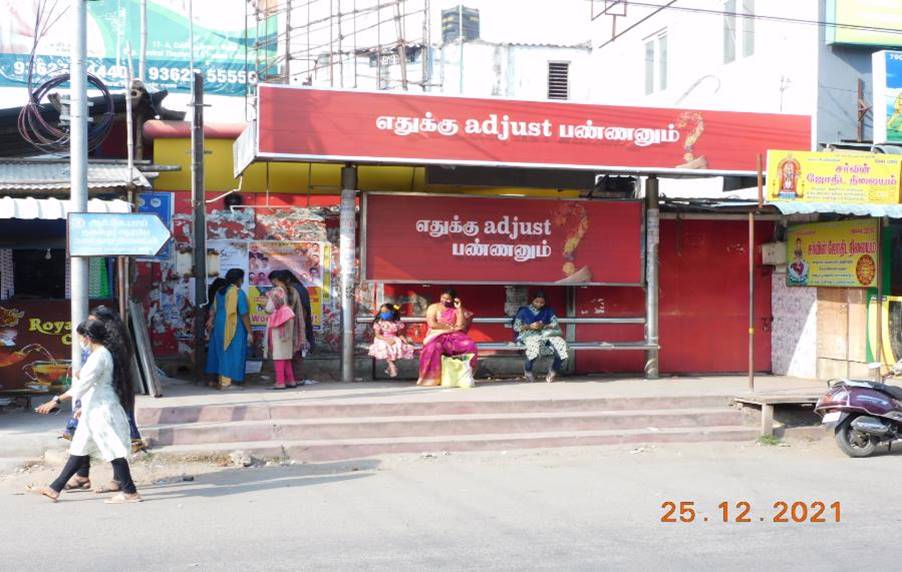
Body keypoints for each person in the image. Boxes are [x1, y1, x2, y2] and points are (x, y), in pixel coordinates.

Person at [30, 320, 142, 503]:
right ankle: (54, 488)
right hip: (94, 407)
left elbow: (83, 384)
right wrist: (84, 407)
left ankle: (130, 492)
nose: (80, 341)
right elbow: (92, 385)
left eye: (81, 337)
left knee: (112, 449)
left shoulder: (99, 356)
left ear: (87, 338)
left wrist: (56, 400)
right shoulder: (100, 354)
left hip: (102, 410)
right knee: (79, 447)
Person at [416, 289, 478, 387]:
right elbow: (432, 324)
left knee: (470, 345)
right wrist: (449, 327)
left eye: (448, 299)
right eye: (443, 298)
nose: (445, 300)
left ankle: (464, 376)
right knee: (433, 347)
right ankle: (431, 379)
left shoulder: (457, 309)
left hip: (454, 335)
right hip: (437, 334)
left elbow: (461, 326)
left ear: (454, 300)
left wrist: (459, 308)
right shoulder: (434, 307)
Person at [205, 269, 253, 390]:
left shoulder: (219, 292)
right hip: (233, 325)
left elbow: (213, 309)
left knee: (219, 351)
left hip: (219, 325)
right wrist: (250, 332)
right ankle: (230, 382)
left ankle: (217, 380)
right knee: (234, 352)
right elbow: (243, 314)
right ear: (239, 279)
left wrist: (211, 320)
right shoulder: (238, 293)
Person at [513, 292, 569, 383]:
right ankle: (528, 371)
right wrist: (529, 326)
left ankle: (553, 371)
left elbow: (555, 323)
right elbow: (516, 327)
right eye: (537, 302)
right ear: (532, 300)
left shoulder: (548, 310)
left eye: (542, 302)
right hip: (529, 334)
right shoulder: (524, 311)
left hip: (546, 334)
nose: (539, 304)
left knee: (561, 347)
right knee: (533, 349)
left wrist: (544, 325)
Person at [264, 285, 299, 390]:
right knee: (286, 358)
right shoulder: (287, 310)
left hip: (280, 338)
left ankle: (280, 382)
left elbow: (268, 309)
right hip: (285, 339)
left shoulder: (281, 311)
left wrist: (270, 300)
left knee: (279, 358)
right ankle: (290, 380)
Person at [282, 271, 315, 380]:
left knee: (295, 352)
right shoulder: (300, 288)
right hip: (297, 323)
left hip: (295, 324)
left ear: (287, 280)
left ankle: (296, 377)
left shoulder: (295, 289)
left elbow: (303, 310)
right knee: (296, 352)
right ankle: (296, 377)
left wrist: (299, 325)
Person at [368, 303, 414, 378]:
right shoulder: (379, 322)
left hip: (394, 337)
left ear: (392, 312)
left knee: (398, 346)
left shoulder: (397, 322)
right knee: (386, 347)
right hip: (382, 338)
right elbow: (377, 334)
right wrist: (387, 340)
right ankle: (392, 366)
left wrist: (403, 339)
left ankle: (390, 366)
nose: (384, 314)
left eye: (386, 312)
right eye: (382, 312)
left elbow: (400, 334)